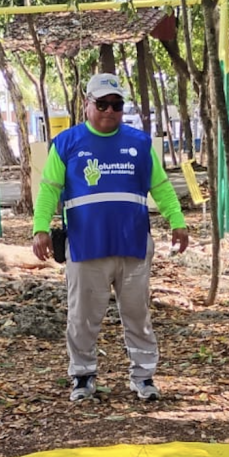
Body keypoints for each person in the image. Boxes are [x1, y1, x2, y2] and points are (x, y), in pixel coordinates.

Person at [31, 73, 189, 402]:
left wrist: (177, 221)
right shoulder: (67, 143)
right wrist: (40, 228)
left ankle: (143, 376)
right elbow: (50, 189)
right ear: (86, 104)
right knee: (83, 315)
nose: (109, 111)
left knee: (137, 313)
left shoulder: (139, 143)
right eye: (101, 104)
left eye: (116, 105)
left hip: (132, 245)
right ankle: (83, 375)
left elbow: (159, 186)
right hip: (87, 245)